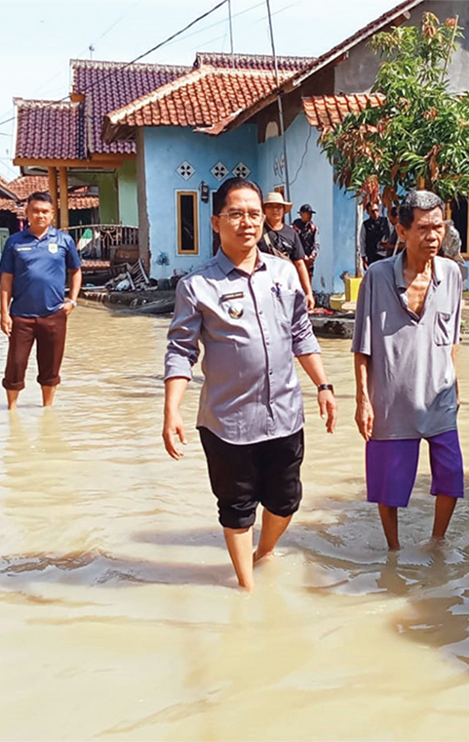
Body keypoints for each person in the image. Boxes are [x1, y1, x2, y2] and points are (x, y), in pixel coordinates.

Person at [163, 177, 337, 591]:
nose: (247, 222)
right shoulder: (197, 285)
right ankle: (246, 589)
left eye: (254, 214)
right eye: (236, 214)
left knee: (286, 500)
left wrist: (324, 385)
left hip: (285, 413)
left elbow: (300, 333)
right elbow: (181, 350)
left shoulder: (283, 273)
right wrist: (172, 410)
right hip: (228, 421)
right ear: (216, 221)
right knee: (237, 508)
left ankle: (264, 552)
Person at [352, 190, 464, 551]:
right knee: (389, 485)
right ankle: (394, 551)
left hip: (439, 396)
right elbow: (362, 344)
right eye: (423, 228)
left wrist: (456, 384)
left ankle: (436, 542)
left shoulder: (452, 275)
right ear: (402, 231)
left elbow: (453, 337)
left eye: (439, 227)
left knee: (450, 477)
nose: (433, 236)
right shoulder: (377, 276)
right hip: (392, 397)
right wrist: (363, 400)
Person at [0, 191, 82, 410]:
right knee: (15, 365)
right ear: (27, 213)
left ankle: (47, 410)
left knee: (50, 367)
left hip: (54, 314)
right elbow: (6, 278)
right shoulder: (14, 243)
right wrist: (4, 313)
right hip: (21, 316)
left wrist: (72, 301)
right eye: (35, 211)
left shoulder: (64, 240)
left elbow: (76, 270)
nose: (40, 215)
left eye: (45, 212)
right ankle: (12, 411)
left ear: (52, 214)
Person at [259, 191, 314, 310]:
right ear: (264, 210)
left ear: (284, 210)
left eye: (279, 206)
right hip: (262, 289)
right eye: (270, 206)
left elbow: (299, 263)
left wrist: (308, 292)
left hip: (286, 289)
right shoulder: (257, 232)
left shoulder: (291, 233)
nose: (275, 210)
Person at [291, 203, 321, 289]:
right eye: (307, 213)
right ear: (301, 214)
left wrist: (313, 255)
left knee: (308, 282)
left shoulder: (313, 228)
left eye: (310, 214)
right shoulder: (294, 228)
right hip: (297, 260)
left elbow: (316, 243)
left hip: (309, 260)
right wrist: (302, 256)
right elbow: (294, 244)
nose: (309, 216)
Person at [361, 201, 392, 268]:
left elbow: (392, 234)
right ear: (368, 212)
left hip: (385, 255)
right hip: (372, 256)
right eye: (372, 211)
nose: (375, 213)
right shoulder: (365, 225)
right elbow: (362, 241)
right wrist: (363, 259)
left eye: (376, 210)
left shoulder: (386, 221)